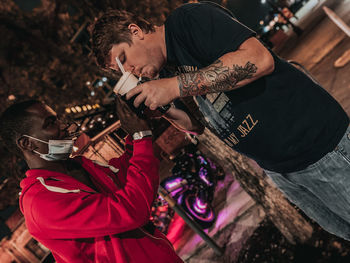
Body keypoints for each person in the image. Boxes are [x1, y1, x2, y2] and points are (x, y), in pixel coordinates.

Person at [91, 2, 350, 240]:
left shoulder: (188, 21)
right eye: (119, 72)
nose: (129, 71)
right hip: (282, 169)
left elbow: (258, 59)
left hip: (320, 148)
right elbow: (195, 125)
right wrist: (162, 109)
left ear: (135, 31)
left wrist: (176, 86)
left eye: (123, 59)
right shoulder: (167, 69)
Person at [0, 99, 183, 263]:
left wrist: (134, 131)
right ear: (27, 143)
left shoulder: (76, 165)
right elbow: (130, 210)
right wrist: (140, 136)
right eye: (50, 123)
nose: (62, 126)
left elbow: (125, 179)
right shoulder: (40, 202)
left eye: (57, 119)